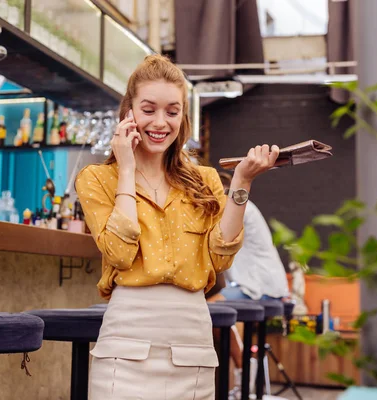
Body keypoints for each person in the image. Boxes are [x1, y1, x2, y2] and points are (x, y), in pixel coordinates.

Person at [75, 54, 279, 400]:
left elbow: (219, 258)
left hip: (191, 338)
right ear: (129, 111)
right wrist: (126, 168)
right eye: (149, 109)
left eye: (172, 111)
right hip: (127, 337)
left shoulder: (206, 180)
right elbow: (120, 254)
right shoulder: (98, 178)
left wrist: (243, 181)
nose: (160, 122)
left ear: (183, 116)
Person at [218, 171, 290, 301]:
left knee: (204, 305)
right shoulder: (242, 209)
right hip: (262, 286)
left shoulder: (240, 210)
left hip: (260, 288)